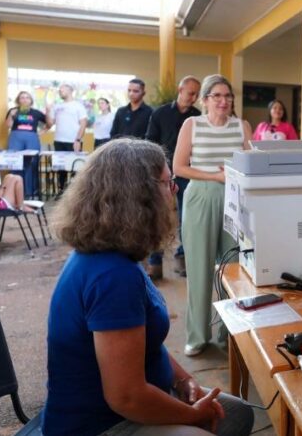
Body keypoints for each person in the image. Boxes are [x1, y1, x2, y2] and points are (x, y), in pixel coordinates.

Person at [42, 138, 254, 436]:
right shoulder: (113, 276)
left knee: (238, 413)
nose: (174, 190)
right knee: (210, 427)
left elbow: (143, 343)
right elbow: (126, 397)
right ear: (139, 197)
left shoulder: (116, 256)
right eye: (167, 183)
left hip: (133, 404)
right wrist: (192, 415)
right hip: (102, 425)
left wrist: (183, 380)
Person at [173, 74, 251, 357]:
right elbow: (179, 167)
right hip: (200, 197)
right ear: (205, 100)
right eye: (217, 95)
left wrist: (233, 173)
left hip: (234, 199)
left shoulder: (242, 126)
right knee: (199, 268)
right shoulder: (192, 125)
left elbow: (251, 164)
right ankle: (197, 336)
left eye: (228, 96)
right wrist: (215, 176)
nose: (223, 101)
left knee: (232, 267)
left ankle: (227, 333)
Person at [146, 75, 202, 279]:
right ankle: (155, 263)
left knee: (187, 217)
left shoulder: (198, 117)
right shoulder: (160, 113)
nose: (194, 98)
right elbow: (150, 142)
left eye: (197, 94)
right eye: (191, 93)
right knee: (158, 216)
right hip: (162, 173)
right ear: (180, 90)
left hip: (187, 173)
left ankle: (183, 256)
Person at [46, 84, 87, 194]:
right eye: (59, 90)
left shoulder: (78, 106)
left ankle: (75, 193)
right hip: (59, 141)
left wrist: (78, 140)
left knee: (75, 168)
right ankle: (61, 192)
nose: (60, 91)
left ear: (70, 90)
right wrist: (48, 111)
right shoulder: (57, 106)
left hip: (73, 142)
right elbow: (50, 124)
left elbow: (83, 124)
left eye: (62, 89)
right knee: (61, 169)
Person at [6, 91, 48, 197]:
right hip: (16, 138)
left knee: (32, 163)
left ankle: (31, 192)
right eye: (22, 98)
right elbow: (8, 125)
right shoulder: (13, 111)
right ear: (18, 100)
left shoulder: (36, 113)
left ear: (31, 100)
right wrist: (11, 115)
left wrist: (42, 132)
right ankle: (15, 191)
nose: (25, 99)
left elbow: (49, 122)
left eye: (27, 97)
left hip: (31, 139)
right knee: (15, 163)